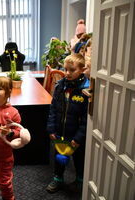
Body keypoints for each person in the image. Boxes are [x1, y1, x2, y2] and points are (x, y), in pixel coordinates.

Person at [46, 53, 89, 193]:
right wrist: (51, 128)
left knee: (79, 159)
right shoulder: (60, 86)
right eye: (66, 69)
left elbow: (86, 118)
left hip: (76, 134)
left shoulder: (85, 91)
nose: (67, 73)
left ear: (82, 69)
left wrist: (79, 137)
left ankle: (80, 180)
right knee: (59, 158)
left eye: (72, 70)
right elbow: (53, 108)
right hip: (60, 131)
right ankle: (58, 178)